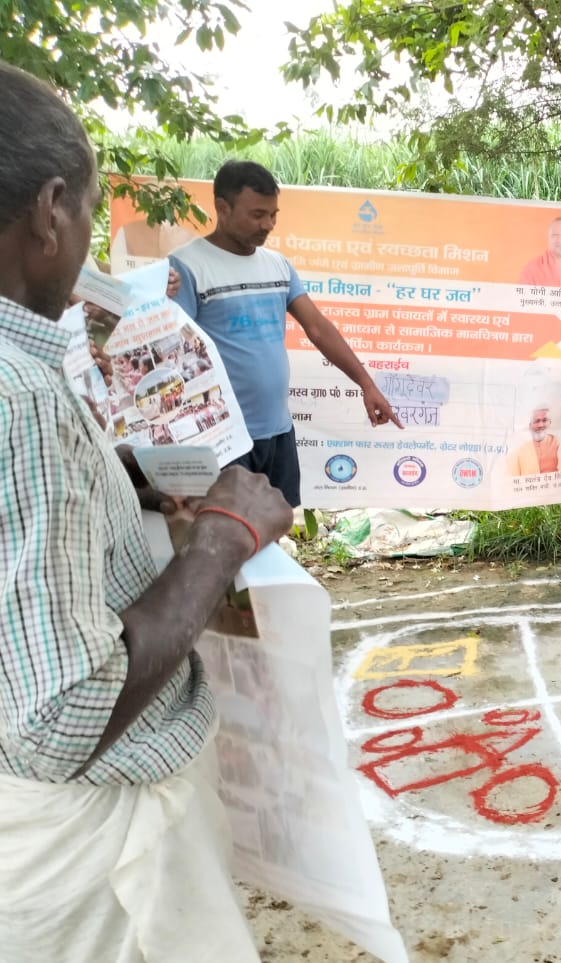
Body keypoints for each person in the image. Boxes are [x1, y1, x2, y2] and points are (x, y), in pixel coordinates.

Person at [0, 63, 295, 960]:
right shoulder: (21, 395)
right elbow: (63, 715)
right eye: (89, 213)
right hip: (89, 865)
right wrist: (220, 543)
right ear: (52, 209)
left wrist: (114, 475)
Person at [169, 161, 402, 508]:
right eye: (257, 215)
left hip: (277, 432)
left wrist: (366, 384)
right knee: (225, 533)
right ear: (222, 208)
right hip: (222, 438)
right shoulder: (186, 267)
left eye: (273, 215)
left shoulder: (277, 265)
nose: (268, 225)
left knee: (276, 526)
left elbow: (318, 328)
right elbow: (171, 353)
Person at [508, 405, 559, 475]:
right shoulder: (520, 450)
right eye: (536, 421)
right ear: (530, 426)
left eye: (544, 420)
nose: (540, 425)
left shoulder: (558, 444)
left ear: (549, 423)